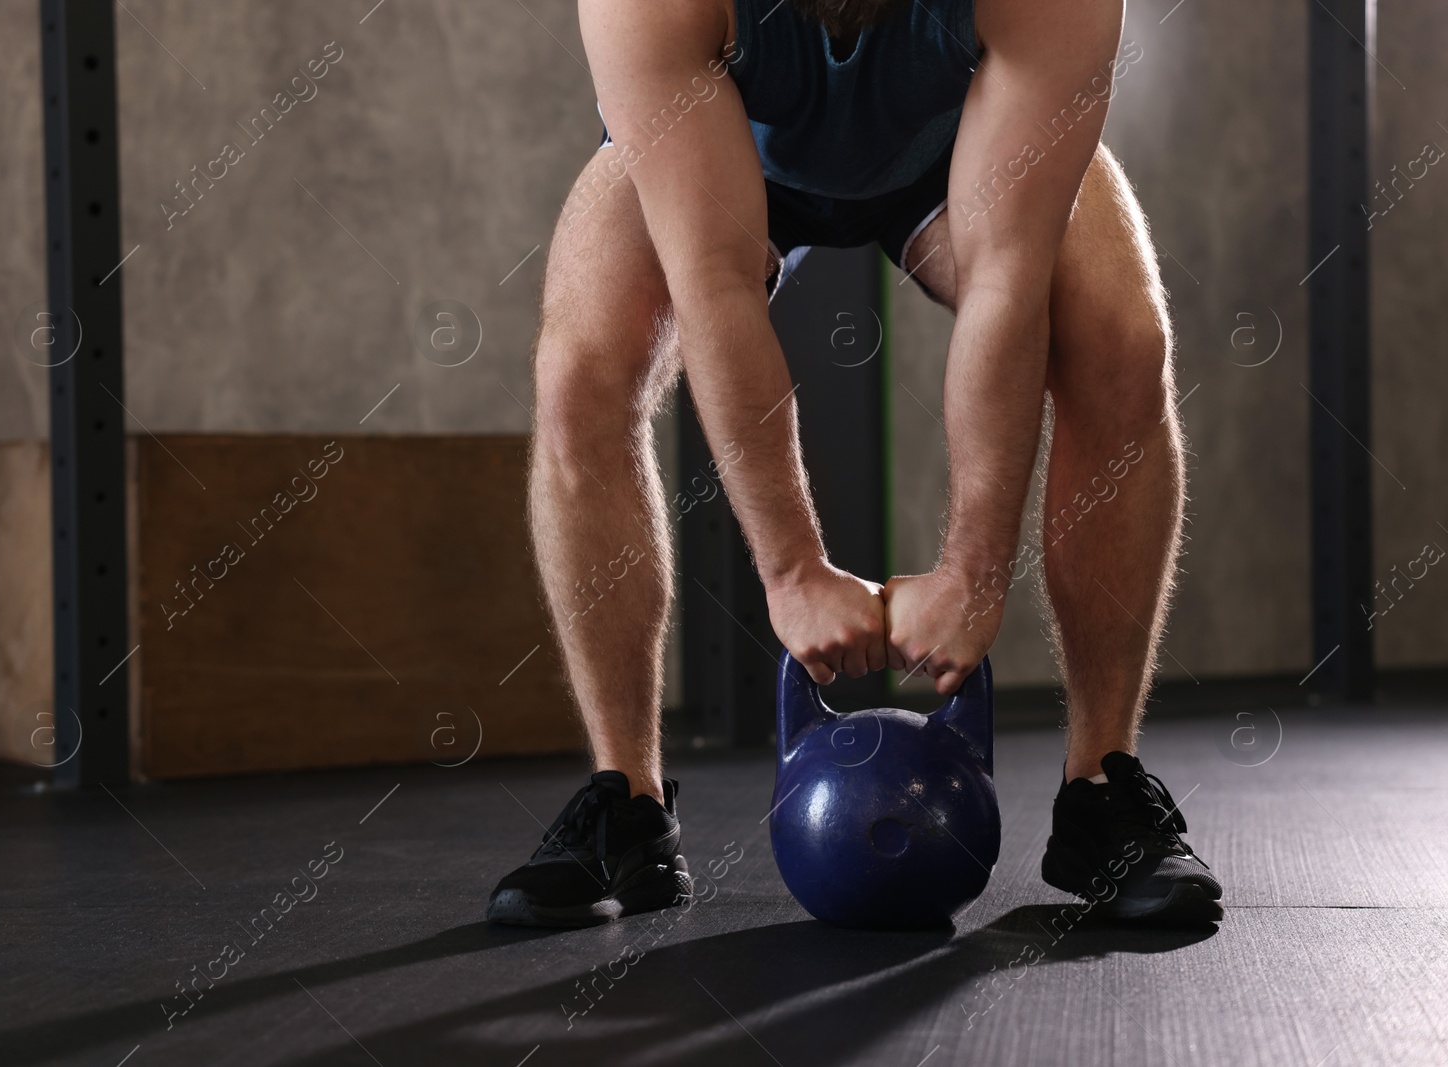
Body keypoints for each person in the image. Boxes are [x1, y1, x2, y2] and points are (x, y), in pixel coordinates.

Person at [487, 0, 1221, 927]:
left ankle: (1101, 789)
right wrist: (793, 571)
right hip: (718, 137)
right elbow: (713, 283)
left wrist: (974, 571)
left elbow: (1007, 274)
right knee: (578, 372)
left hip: (957, 146)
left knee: (1123, 343)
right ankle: (623, 805)